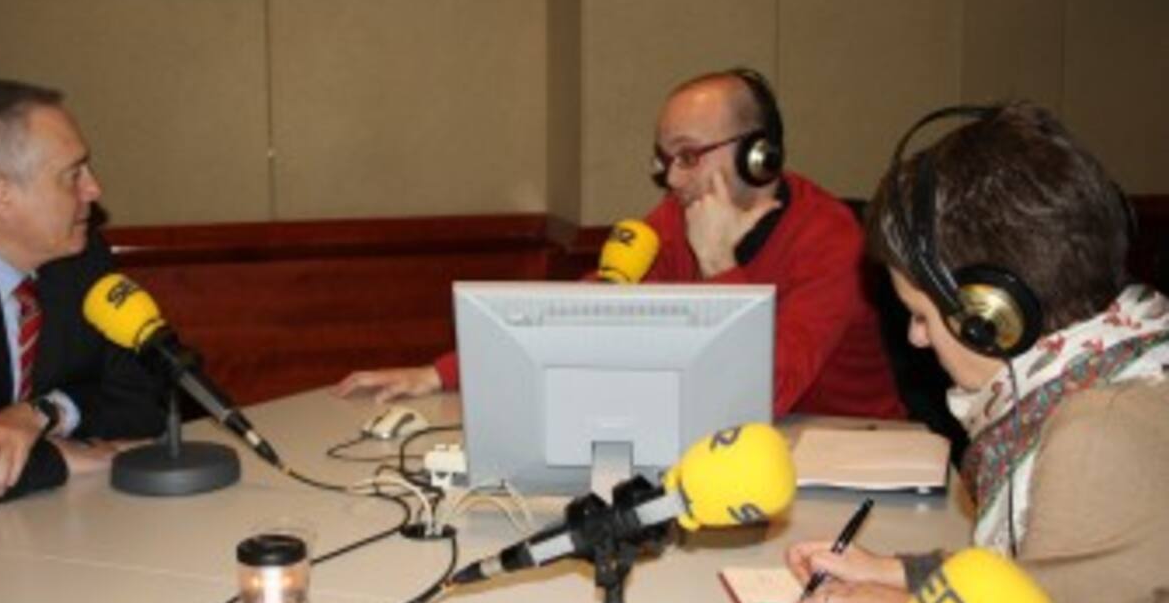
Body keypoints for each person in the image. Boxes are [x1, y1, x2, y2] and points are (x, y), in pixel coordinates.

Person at [785, 103, 1169, 603]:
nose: (916, 338)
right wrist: (910, 575)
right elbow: (1054, 581)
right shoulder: (1125, 366)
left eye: (921, 315)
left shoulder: (1101, 437)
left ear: (992, 314)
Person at [337, 68, 904, 419]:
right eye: (664, 160)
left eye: (688, 156)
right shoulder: (677, 217)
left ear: (760, 155)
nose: (672, 179)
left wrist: (717, 264)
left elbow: (761, 395)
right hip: (743, 448)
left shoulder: (831, 239)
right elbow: (596, 313)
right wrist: (441, 373)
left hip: (856, 457)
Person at [0, 79, 165, 509]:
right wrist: (56, 459)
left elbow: (147, 401)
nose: (94, 190)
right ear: (0, 194)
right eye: (72, 175)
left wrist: (45, 412)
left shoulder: (80, 260)